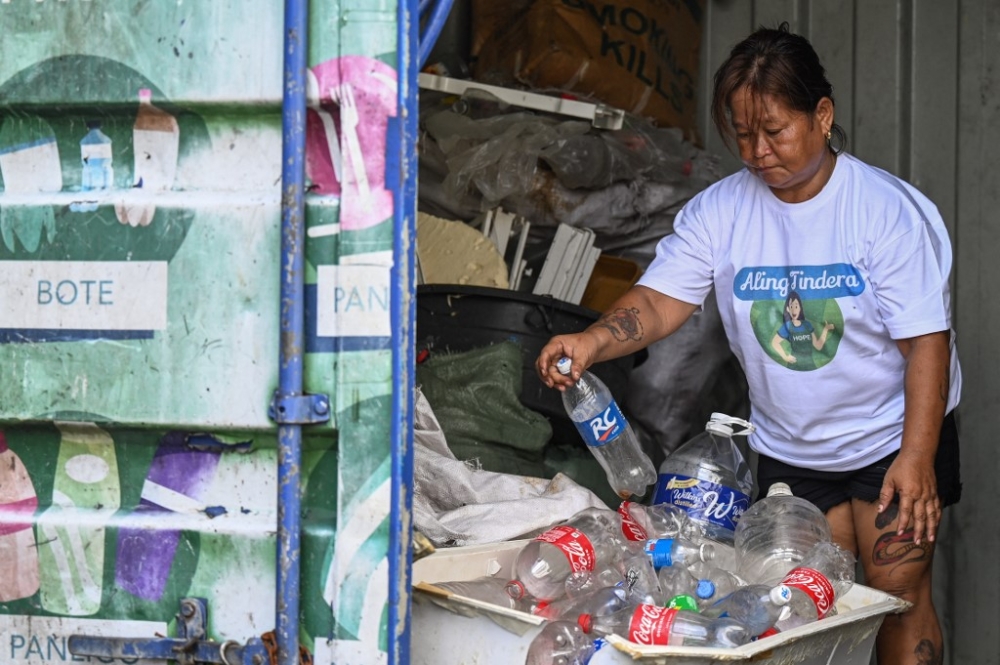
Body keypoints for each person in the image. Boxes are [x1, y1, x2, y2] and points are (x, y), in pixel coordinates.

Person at [535, 23, 961, 665]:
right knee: (811, 606)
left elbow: (927, 343)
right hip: (794, 447)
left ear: (822, 115)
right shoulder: (722, 210)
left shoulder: (881, 211)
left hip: (891, 435)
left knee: (897, 594)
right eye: (742, 134)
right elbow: (657, 301)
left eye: (775, 131)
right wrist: (593, 340)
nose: (758, 151)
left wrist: (919, 457)